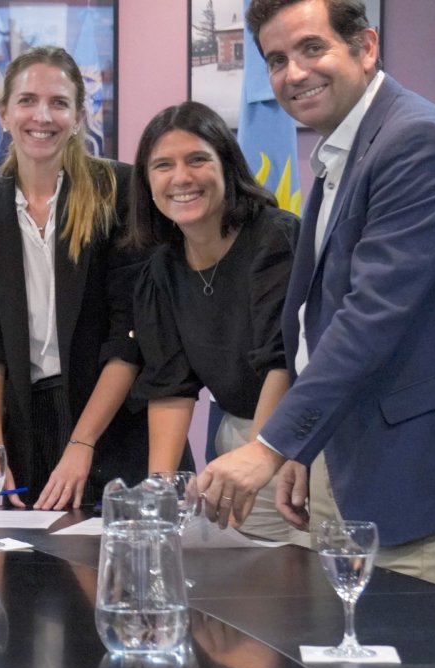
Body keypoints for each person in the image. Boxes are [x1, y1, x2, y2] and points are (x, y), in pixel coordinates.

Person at [198, 0, 435, 588]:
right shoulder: (346, 148)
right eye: (277, 60)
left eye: (311, 48)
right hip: (341, 454)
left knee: (393, 635)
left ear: (366, 47)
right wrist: (304, 447)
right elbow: (312, 319)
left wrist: (270, 447)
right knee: (332, 634)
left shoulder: (418, 142)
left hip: (405, 470)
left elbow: (370, 319)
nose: (294, 73)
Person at [0, 46, 190, 511]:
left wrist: (82, 443)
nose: (42, 116)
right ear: (3, 113)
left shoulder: (121, 191)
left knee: (124, 557)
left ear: (80, 116)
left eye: (59, 103)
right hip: (30, 430)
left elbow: (130, 336)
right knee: (31, 557)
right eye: (27, 101)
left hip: (117, 424)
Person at [128, 101, 303, 544]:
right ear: (147, 182)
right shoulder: (161, 269)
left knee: (315, 580)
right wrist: (159, 495)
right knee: (252, 581)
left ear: (227, 166)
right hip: (241, 438)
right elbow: (170, 385)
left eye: (197, 159)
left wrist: (257, 459)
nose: (181, 178)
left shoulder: (275, 237)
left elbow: (282, 362)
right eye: (163, 165)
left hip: (302, 439)